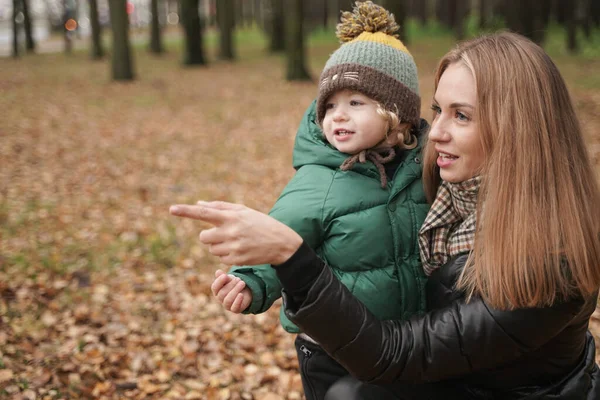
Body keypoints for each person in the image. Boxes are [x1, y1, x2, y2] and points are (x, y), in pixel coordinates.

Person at [170, 32, 600, 399]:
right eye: (438, 112)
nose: (439, 134)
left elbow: (396, 355)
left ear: (517, 128)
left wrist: (291, 254)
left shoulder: (550, 258)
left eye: (462, 115)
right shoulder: (455, 194)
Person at [205, 3, 430, 399]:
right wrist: (251, 280)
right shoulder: (318, 181)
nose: (337, 116)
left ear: (398, 115)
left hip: (407, 341)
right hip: (333, 350)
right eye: (329, 105)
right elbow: (280, 238)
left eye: (355, 103)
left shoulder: (424, 170)